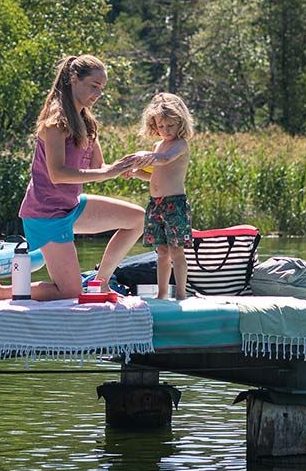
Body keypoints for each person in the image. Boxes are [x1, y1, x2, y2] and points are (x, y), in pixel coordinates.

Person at [17, 55, 153, 301]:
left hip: (71, 206)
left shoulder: (87, 122)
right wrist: (106, 173)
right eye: (94, 85)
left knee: (138, 219)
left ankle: (100, 281)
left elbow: (98, 166)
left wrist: (130, 166)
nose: (98, 93)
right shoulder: (55, 121)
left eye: (102, 88)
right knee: (70, 292)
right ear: (73, 79)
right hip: (46, 214)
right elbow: (57, 174)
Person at [129, 93, 194, 299]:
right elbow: (154, 176)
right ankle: (162, 294)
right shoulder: (157, 146)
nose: (165, 130)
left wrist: (145, 157)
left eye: (170, 126)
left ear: (180, 124)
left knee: (177, 251)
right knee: (162, 252)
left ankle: (182, 294)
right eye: (161, 126)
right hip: (155, 205)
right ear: (154, 125)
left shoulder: (180, 145)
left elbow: (165, 160)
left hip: (174, 205)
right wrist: (135, 171)